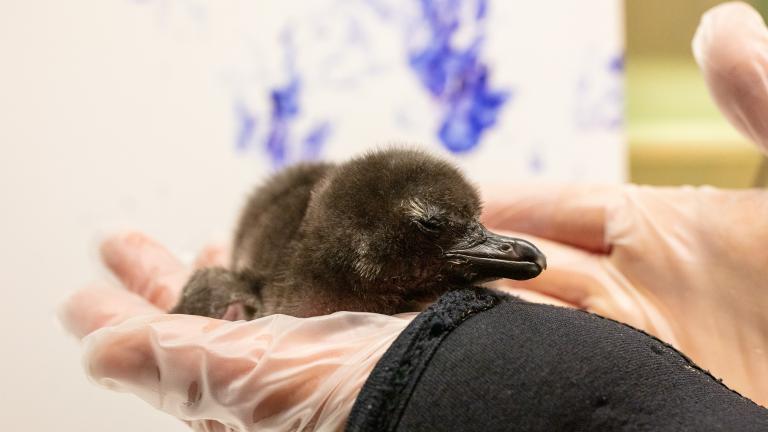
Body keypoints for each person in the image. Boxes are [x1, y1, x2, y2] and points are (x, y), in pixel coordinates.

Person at [60, 2, 768, 430]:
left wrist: (465, 392)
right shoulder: (283, 274)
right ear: (363, 244)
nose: (502, 251)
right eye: (439, 228)